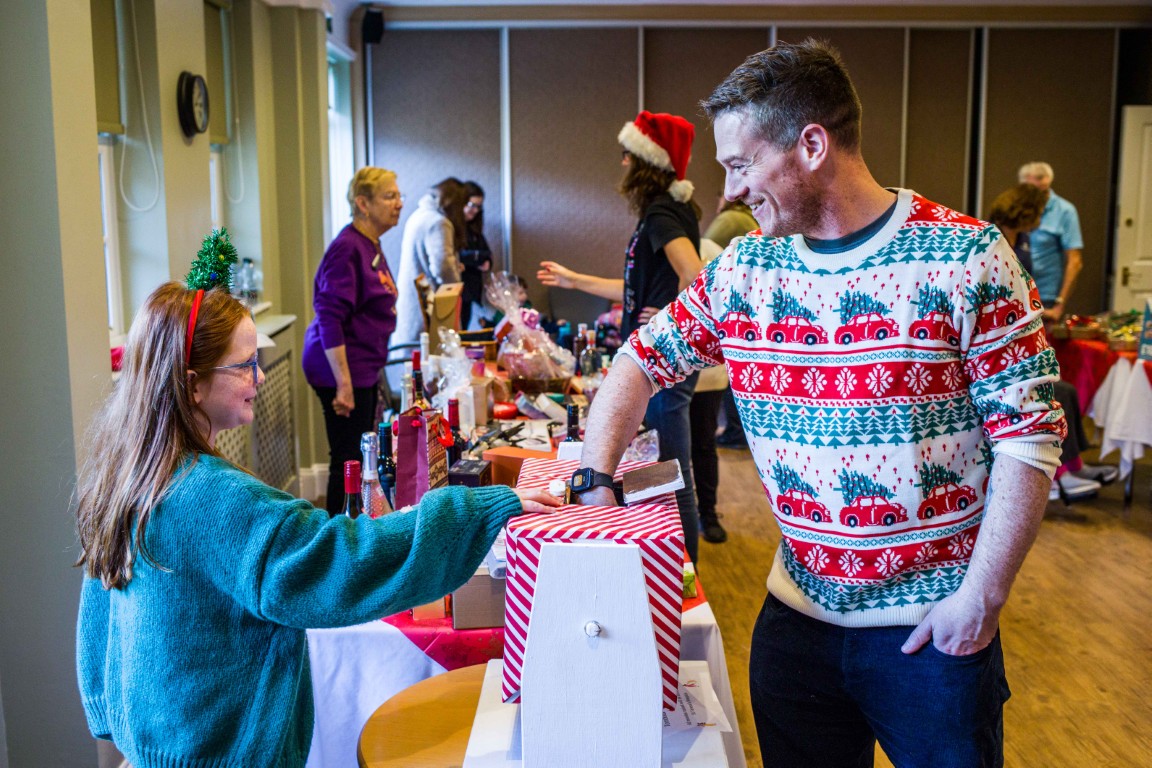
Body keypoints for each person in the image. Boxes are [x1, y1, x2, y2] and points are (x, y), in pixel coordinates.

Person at [573, 40, 1067, 767]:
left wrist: (982, 603)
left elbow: (1031, 436)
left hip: (931, 633)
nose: (731, 190)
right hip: (796, 626)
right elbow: (636, 363)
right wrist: (594, 478)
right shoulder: (744, 269)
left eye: (741, 164)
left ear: (811, 145)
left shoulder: (967, 256)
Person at [74, 276, 560, 768]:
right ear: (192, 384)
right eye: (245, 367)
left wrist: (106, 708)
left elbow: (100, 610)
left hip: (151, 750)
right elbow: (341, 558)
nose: (260, 378)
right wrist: (481, 511)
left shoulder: (129, 471)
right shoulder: (212, 496)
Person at [538, 110, 705, 562]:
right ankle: (678, 569)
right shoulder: (670, 209)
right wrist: (575, 281)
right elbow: (633, 292)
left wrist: (671, 315)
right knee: (669, 470)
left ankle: (684, 577)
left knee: (673, 472)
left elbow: (696, 274)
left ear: (647, 162)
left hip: (662, 366)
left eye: (628, 157)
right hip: (662, 363)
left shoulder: (661, 212)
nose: (623, 165)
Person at [987, 183, 1119, 502]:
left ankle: (1073, 465)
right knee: (1055, 392)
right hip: (1003, 348)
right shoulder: (995, 242)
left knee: (1067, 390)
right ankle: (1061, 476)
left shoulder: (1023, 240)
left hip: (1022, 336)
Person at [302, 166, 403, 515]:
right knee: (347, 461)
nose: (399, 203)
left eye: (398, 195)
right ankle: (336, 541)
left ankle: (354, 531)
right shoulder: (347, 249)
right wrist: (344, 384)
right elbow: (329, 317)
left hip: (362, 366)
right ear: (363, 203)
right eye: (390, 196)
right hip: (338, 369)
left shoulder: (369, 243)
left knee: (359, 458)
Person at [706, 199, 759, 450]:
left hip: (737, 308)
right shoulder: (751, 219)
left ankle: (736, 433)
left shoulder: (730, 219)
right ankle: (740, 433)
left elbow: (704, 260)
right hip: (755, 307)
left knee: (732, 373)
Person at [394, 177, 467, 348]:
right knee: (429, 358)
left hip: (411, 299)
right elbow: (443, 266)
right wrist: (456, 283)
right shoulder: (439, 223)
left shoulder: (419, 215)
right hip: (429, 302)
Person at [1017, 161, 1083, 321]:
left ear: (1047, 183)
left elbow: (1075, 261)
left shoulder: (1065, 211)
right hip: (1015, 292)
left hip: (1044, 295)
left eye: (1040, 189)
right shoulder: (1015, 208)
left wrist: (1060, 303)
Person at [459, 181, 493, 330]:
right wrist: (476, 258)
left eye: (478, 207)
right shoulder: (449, 226)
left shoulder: (474, 230)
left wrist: (482, 260)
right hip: (457, 289)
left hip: (472, 291)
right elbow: (456, 256)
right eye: (472, 205)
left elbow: (487, 254)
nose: (474, 210)